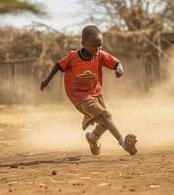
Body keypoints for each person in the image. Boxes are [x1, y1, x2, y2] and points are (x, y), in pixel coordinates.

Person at [40, 25, 137, 155]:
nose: (97, 49)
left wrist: (119, 68)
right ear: (83, 43)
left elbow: (116, 63)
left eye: (100, 45)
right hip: (79, 96)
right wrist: (47, 80)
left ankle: (92, 139)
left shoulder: (100, 55)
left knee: (106, 122)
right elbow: (58, 65)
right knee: (106, 115)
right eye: (94, 46)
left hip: (96, 93)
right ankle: (123, 142)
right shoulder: (73, 57)